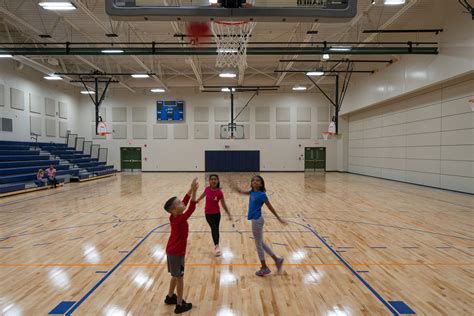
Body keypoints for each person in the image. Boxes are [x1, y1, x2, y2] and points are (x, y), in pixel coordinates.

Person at [231, 175, 286, 276]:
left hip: (257, 220)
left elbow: (270, 207)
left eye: (258, 180)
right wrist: (236, 188)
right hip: (255, 220)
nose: (255, 182)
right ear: (251, 183)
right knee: (261, 243)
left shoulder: (262, 195)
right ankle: (277, 260)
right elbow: (241, 192)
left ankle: (264, 268)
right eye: (253, 180)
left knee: (258, 245)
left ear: (261, 184)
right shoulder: (252, 192)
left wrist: (278, 218)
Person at [163, 178, 199, 314]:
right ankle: (179, 305)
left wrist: (190, 190)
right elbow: (192, 208)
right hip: (177, 253)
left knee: (174, 275)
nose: (182, 202)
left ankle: (170, 297)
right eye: (179, 203)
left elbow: (185, 202)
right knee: (179, 278)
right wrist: (194, 193)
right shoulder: (179, 219)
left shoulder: (174, 217)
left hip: (172, 251)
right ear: (173, 209)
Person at [197, 174, 232, 256]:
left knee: (216, 229)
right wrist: (198, 199)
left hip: (217, 214)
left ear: (218, 181)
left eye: (215, 179)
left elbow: (223, 204)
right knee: (214, 228)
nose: (213, 181)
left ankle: (217, 245)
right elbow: (203, 194)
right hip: (208, 214)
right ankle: (216, 247)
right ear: (209, 181)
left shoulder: (219, 192)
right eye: (212, 179)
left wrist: (228, 214)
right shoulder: (207, 189)